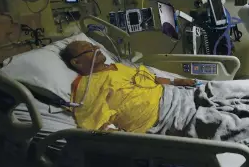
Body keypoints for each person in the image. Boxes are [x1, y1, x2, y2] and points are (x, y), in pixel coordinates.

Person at [60, 41, 196, 133]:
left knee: (215, 90)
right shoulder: (87, 87)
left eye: (94, 46)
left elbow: (151, 79)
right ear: (77, 62)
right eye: (89, 49)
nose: (97, 49)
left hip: (177, 95)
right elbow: (96, 126)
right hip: (163, 117)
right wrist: (119, 136)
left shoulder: (117, 67)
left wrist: (176, 81)